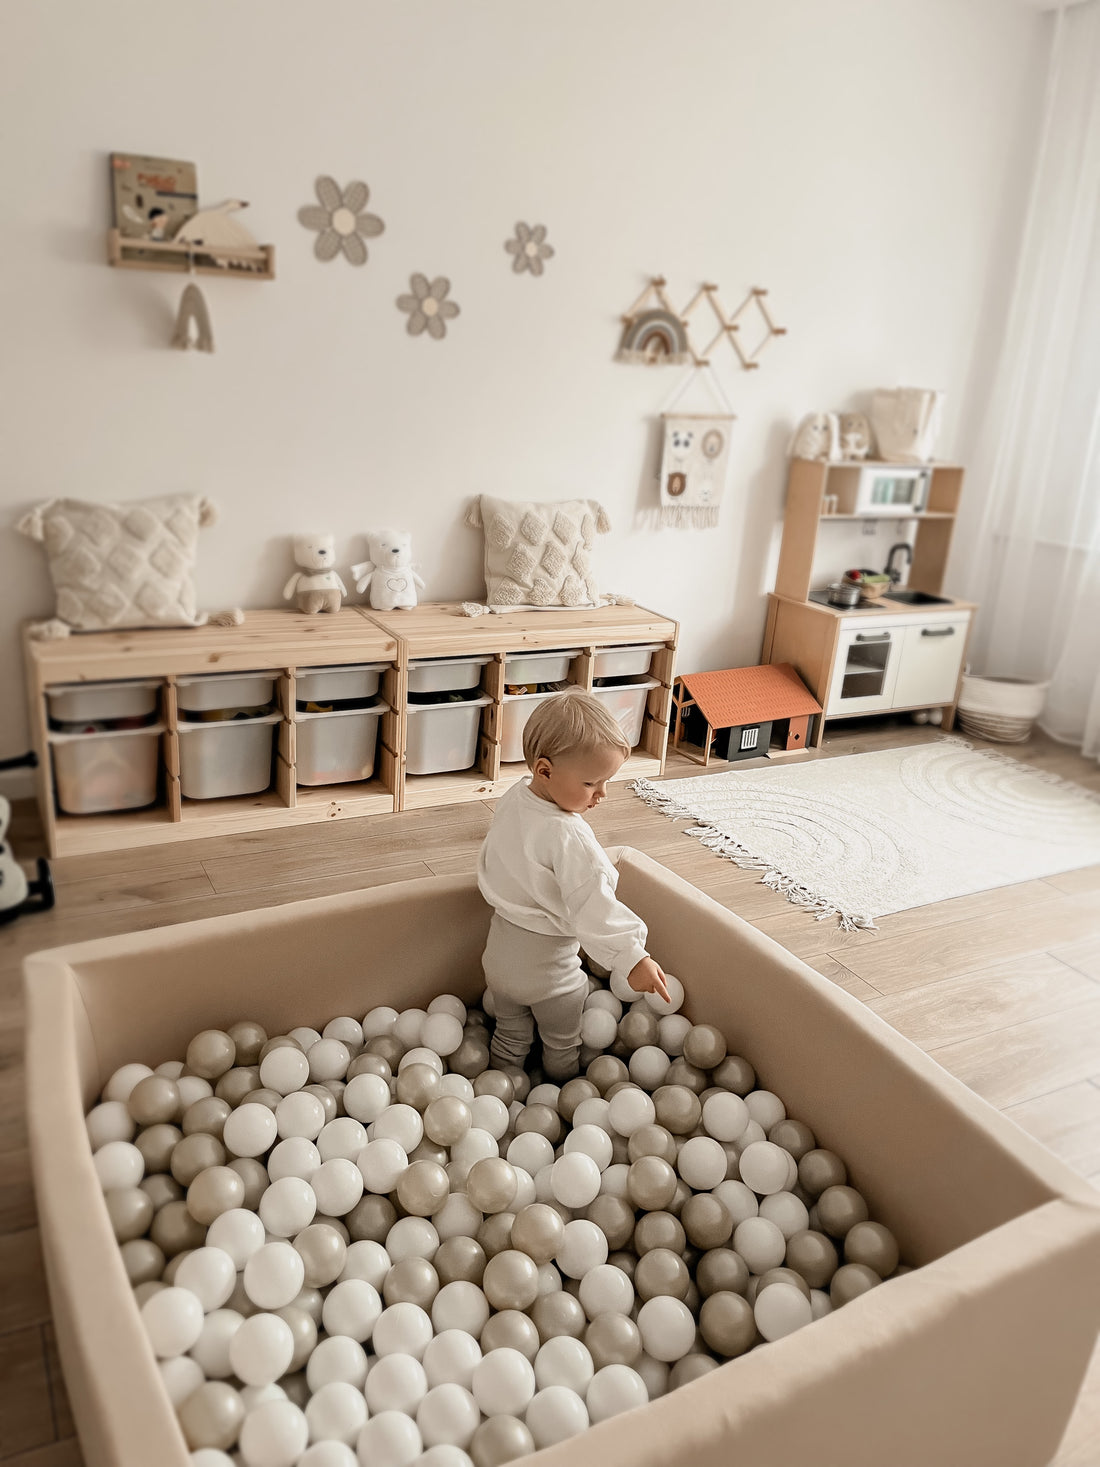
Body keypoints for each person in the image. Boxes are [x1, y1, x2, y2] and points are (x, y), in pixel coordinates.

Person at [477, 687, 671, 1081]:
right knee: (562, 1042)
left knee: (510, 1036)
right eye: (591, 783)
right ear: (545, 770)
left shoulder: (514, 798)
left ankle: (498, 1085)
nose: (601, 794)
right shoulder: (571, 838)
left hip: (498, 960)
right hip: (550, 976)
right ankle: (560, 1091)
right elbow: (593, 906)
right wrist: (632, 957)